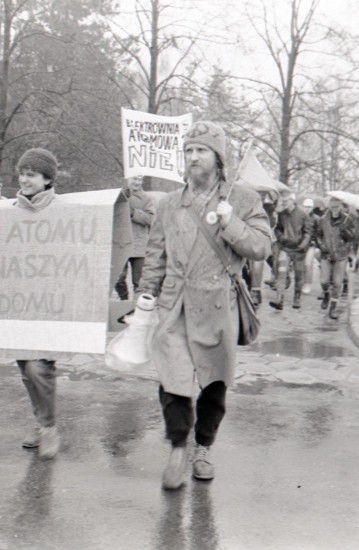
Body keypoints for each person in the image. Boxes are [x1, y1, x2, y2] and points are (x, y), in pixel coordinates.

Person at [138, 121, 271, 490]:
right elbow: (155, 254)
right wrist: (147, 293)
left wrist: (232, 224)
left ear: (218, 158)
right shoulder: (169, 203)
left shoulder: (242, 200)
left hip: (218, 303)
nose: (193, 157)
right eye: (189, 151)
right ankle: (178, 447)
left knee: (214, 383)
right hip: (175, 302)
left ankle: (202, 448)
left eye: (201, 150)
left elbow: (262, 248)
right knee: (172, 377)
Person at [11, 148, 62, 460]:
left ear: (47, 179)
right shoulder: (8, 211)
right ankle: (41, 421)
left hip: (51, 303)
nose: (24, 179)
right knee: (25, 368)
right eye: (22, 172)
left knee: (39, 365)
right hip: (17, 301)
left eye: (32, 174)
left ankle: (49, 427)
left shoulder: (63, 210)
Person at [114, 176, 156, 300]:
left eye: (139, 180)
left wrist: (133, 212)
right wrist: (121, 200)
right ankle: (124, 301)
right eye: (134, 179)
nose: (137, 182)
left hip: (139, 245)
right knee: (118, 278)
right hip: (121, 243)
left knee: (139, 282)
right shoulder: (119, 194)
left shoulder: (147, 198)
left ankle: (136, 308)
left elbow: (151, 219)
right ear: (128, 179)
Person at [269, 193, 313, 310]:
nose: (284, 203)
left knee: (299, 274)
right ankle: (279, 299)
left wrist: (303, 245)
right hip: (285, 248)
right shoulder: (282, 214)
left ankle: (297, 298)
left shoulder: (303, 214)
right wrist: (280, 237)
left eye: (286, 201)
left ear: (293, 201)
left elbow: (308, 232)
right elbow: (278, 229)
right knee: (281, 273)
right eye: (283, 201)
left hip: (299, 249)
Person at [315, 196, 355, 320]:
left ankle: (333, 308)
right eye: (332, 207)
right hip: (326, 254)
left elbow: (353, 237)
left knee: (337, 283)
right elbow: (317, 236)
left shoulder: (347, 220)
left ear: (341, 206)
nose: (335, 210)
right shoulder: (323, 219)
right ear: (329, 207)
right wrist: (322, 246)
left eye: (337, 207)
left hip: (340, 255)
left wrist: (346, 233)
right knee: (324, 281)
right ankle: (326, 294)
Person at [300, 198, 319, 295]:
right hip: (300, 244)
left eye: (309, 207)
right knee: (301, 264)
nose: (307, 209)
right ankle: (302, 282)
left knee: (308, 263)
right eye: (306, 207)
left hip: (311, 244)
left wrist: (314, 241)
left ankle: (308, 283)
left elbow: (318, 232)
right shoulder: (300, 217)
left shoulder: (316, 219)